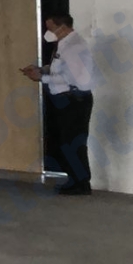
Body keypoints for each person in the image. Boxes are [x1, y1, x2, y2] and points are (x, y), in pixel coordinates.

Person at [22, 13, 96, 195]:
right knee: (66, 141)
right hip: (67, 98)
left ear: (62, 27)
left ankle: (80, 183)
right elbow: (60, 68)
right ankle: (76, 180)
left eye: (50, 28)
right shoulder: (65, 44)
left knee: (72, 142)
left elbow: (73, 78)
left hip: (74, 99)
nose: (48, 32)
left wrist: (42, 78)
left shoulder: (74, 47)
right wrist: (41, 70)